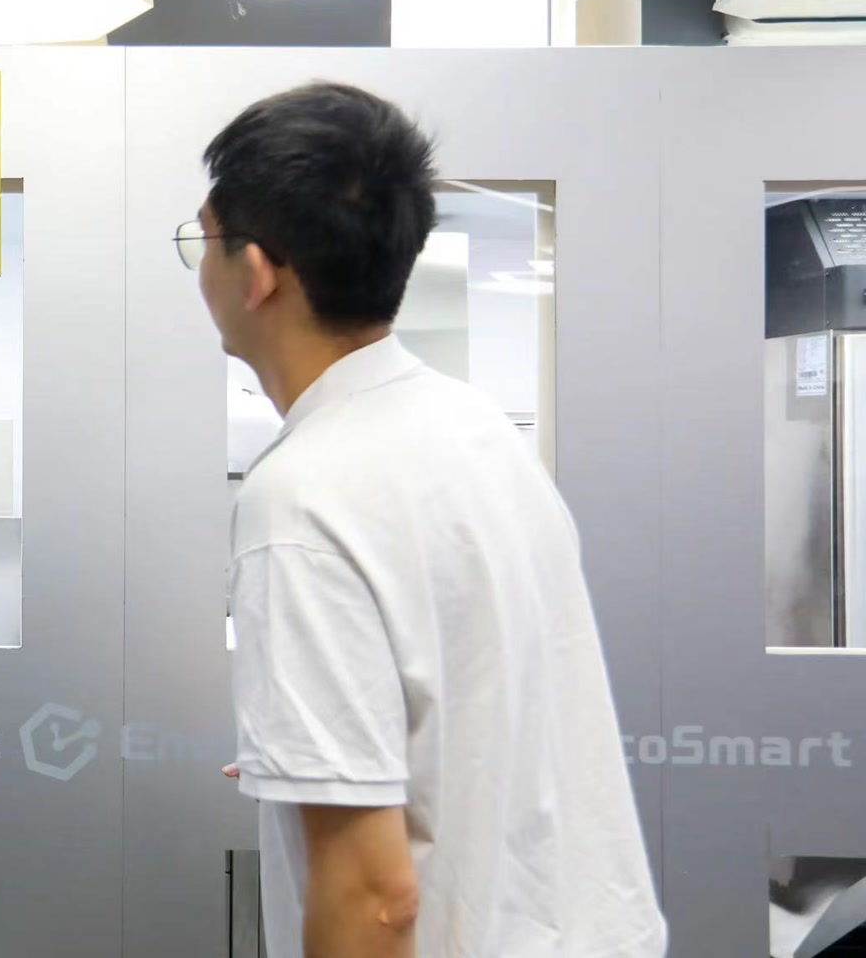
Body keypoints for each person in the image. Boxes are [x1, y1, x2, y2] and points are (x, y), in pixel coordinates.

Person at [184, 83, 666, 958]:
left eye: (204, 240)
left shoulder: (301, 497)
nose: (200, 267)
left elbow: (373, 897)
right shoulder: (477, 430)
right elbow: (477, 699)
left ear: (256, 272)